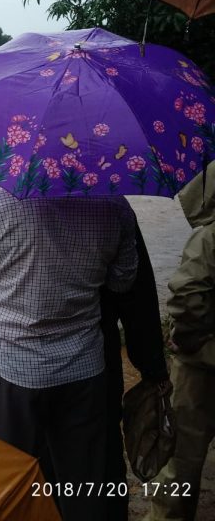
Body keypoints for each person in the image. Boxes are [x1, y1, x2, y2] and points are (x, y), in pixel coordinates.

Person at [0, 184, 137, 521]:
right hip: (83, 369)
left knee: (15, 475)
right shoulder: (115, 205)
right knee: (84, 480)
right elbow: (123, 282)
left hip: (12, 372)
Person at [149, 164, 215, 521]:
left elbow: (187, 295)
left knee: (183, 457)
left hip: (201, 364)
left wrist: (187, 339)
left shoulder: (208, 238)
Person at [100, 221, 170, 521]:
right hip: (94, 366)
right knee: (100, 462)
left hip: (13, 374)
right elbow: (135, 296)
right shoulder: (115, 210)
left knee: (28, 463)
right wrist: (152, 367)